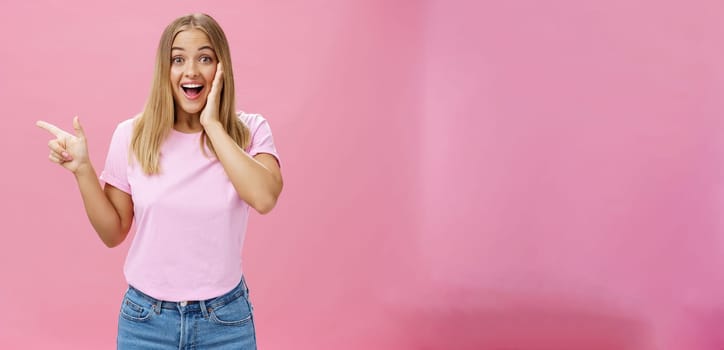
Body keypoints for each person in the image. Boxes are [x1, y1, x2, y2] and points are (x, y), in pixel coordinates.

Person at [36, 13, 282, 349]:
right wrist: (83, 170)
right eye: (178, 59)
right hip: (146, 322)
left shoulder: (250, 130)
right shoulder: (132, 135)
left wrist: (212, 124)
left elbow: (265, 197)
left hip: (225, 322)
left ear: (221, 68)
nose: (191, 70)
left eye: (205, 58)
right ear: (163, 70)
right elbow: (113, 232)